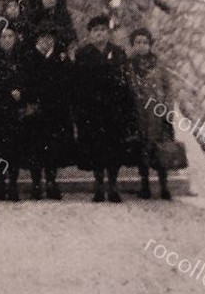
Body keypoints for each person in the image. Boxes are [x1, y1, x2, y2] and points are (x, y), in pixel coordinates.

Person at [71, 15, 139, 203]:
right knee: (96, 148)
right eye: (95, 31)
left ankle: (113, 185)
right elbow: (77, 85)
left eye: (102, 30)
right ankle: (99, 185)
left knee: (114, 149)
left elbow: (125, 83)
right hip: (92, 111)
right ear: (90, 34)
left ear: (108, 34)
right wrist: (79, 111)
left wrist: (126, 109)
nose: (99, 33)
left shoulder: (118, 53)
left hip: (114, 111)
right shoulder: (82, 54)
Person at [23, 26, 73, 200]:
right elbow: (24, 82)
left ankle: (51, 182)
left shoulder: (61, 57)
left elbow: (67, 82)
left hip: (55, 111)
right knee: (35, 148)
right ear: (37, 40)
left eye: (49, 37)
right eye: (42, 38)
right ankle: (36, 183)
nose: (46, 41)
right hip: (35, 110)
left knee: (53, 148)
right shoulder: (29, 57)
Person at [125, 28, 175, 200]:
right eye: (137, 42)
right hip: (138, 113)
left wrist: (168, 109)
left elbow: (168, 88)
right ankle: (145, 185)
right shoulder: (129, 65)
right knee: (141, 149)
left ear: (150, 44)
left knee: (160, 149)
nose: (141, 46)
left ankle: (164, 186)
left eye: (145, 42)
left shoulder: (159, 64)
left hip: (157, 113)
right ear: (132, 45)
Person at [0, 25, 29, 201]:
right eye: (3, 37)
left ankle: (13, 184)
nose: (7, 40)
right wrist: (6, 92)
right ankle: (0, 182)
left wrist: (21, 92)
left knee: (14, 149)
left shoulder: (22, 59)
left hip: (16, 110)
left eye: (10, 36)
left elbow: (29, 80)